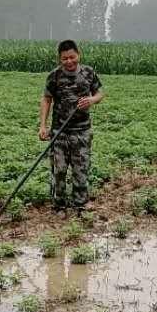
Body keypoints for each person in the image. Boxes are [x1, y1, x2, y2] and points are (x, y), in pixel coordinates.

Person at [39, 39, 104, 211]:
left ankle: (81, 204)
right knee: (59, 170)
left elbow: (100, 93)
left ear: (78, 55)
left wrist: (92, 100)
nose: (69, 61)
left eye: (72, 57)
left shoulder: (88, 73)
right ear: (59, 59)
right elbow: (46, 99)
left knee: (80, 170)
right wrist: (43, 126)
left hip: (82, 131)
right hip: (59, 131)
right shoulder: (54, 76)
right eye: (64, 59)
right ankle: (59, 205)